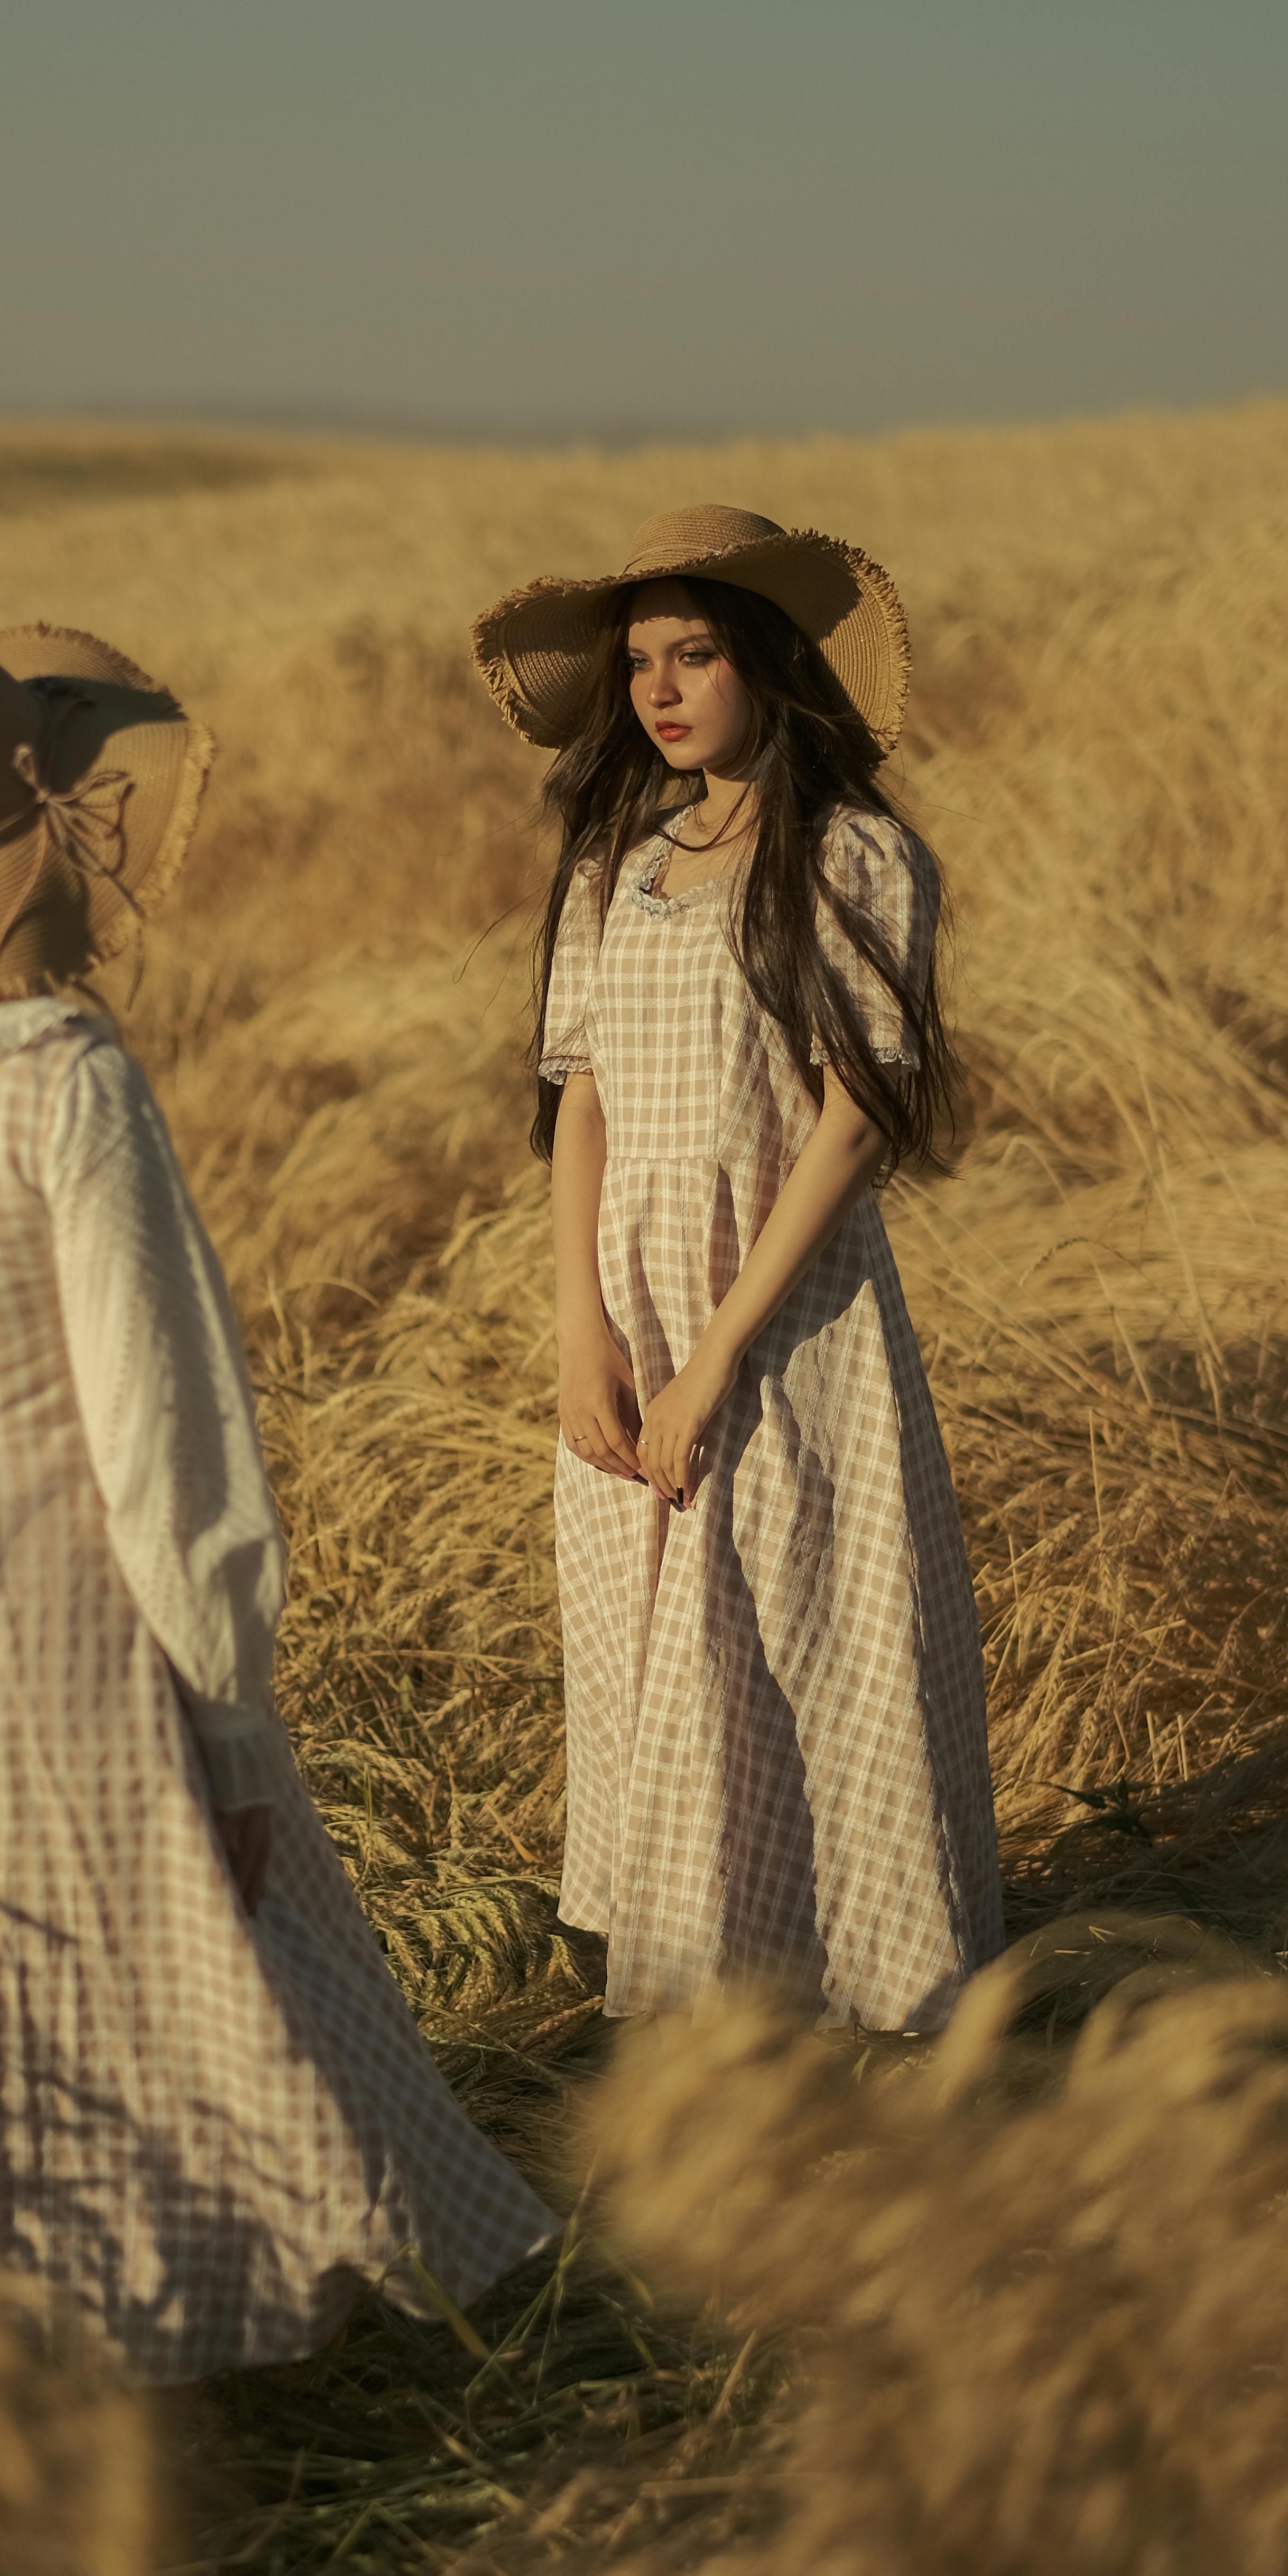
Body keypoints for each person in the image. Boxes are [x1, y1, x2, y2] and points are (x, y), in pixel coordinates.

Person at [0, 625, 551, 2380]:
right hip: (38, 1612)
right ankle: (167, 2354)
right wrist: (227, 1716)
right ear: (34, 837)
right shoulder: (61, 1084)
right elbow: (165, 1435)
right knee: (135, 1982)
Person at [470, 507, 1002, 2032]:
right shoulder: (616, 863)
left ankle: (859, 1987)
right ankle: (694, 1978)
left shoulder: (857, 855)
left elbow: (850, 1125)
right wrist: (583, 1328)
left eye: (693, 652)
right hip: (631, 1290)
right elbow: (580, 1099)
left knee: (802, 1620)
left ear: (767, 663)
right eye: (640, 659)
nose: (660, 688)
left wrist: (718, 1350)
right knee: (652, 1632)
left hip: (784, 1290)